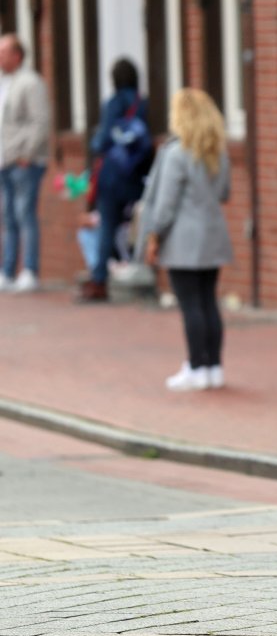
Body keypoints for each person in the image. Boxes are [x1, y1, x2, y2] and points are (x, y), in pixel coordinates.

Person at [137, 88, 233, 392]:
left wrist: (153, 236)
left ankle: (195, 367)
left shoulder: (176, 153)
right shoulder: (218, 153)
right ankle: (214, 367)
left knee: (190, 304)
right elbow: (224, 193)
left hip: (183, 239)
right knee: (208, 301)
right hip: (213, 235)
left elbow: (165, 205)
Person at [76, 58, 153, 302]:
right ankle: (141, 269)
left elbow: (102, 141)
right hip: (136, 174)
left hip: (111, 176)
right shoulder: (144, 104)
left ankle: (100, 280)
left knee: (108, 225)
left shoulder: (113, 103)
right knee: (137, 223)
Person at [0, 34, 51, 293]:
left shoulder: (30, 82)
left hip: (23, 162)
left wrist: (27, 154)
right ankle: (8, 271)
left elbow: (41, 121)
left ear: (17, 55)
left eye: (3, 52)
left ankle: (30, 270)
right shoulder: (3, 82)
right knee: (8, 216)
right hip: (5, 160)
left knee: (25, 214)